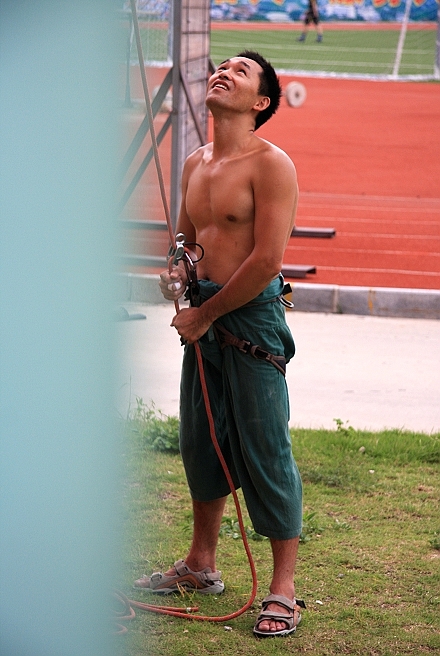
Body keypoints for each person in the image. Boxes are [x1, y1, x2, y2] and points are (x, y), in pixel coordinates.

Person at [134, 50, 305, 638]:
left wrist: (205, 313)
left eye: (241, 70)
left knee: (264, 447)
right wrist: (177, 276)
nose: (224, 71)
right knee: (201, 441)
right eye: (222, 64)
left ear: (261, 102)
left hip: (248, 320)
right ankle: (200, 564)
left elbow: (266, 261)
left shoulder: (272, 165)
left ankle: (283, 590)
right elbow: (185, 241)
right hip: (202, 316)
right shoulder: (194, 162)